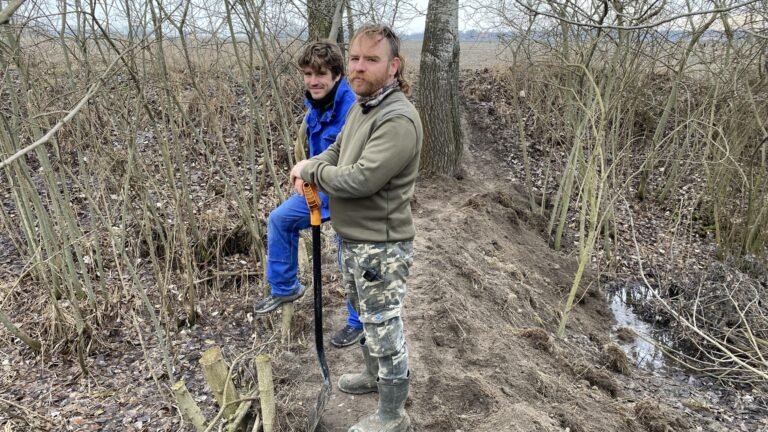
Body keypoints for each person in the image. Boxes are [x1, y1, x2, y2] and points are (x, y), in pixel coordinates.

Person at [290, 24, 422, 432]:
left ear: (394, 66)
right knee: (366, 317)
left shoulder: (397, 119)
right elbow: (336, 150)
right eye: (355, 58)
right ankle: (371, 378)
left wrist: (311, 169)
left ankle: (392, 414)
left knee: (384, 325)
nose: (359, 67)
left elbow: (363, 179)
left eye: (371, 59)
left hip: (380, 246)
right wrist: (316, 164)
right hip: (352, 239)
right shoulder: (361, 106)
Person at [253, 40, 365, 349]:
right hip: (317, 189)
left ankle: (359, 322)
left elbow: (351, 167)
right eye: (307, 74)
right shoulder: (315, 106)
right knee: (279, 219)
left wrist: (312, 173)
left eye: (320, 74)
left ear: (337, 75)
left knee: (348, 257)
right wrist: (306, 174)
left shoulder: (353, 110)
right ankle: (285, 286)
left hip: (347, 195)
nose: (313, 81)